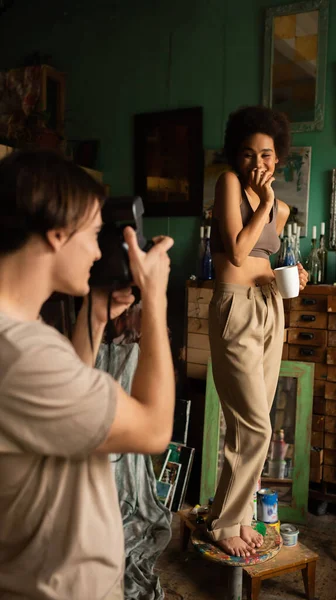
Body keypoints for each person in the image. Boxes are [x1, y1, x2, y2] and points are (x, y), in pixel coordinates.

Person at [0, 149, 175, 599]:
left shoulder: (20, 331)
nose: (98, 251)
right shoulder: (21, 352)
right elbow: (155, 428)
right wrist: (155, 300)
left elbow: (66, 408)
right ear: (58, 233)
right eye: (95, 234)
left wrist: (95, 316)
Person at [207, 106, 308, 557]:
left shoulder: (282, 209)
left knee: (249, 424)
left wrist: (294, 275)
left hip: (270, 307)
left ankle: (238, 515)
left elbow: (265, 261)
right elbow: (236, 250)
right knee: (255, 425)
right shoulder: (230, 184)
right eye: (248, 155)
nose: (257, 164)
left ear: (278, 157)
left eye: (265, 155)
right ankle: (226, 523)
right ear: (236, 156)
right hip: (235, 308)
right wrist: (264, 204)